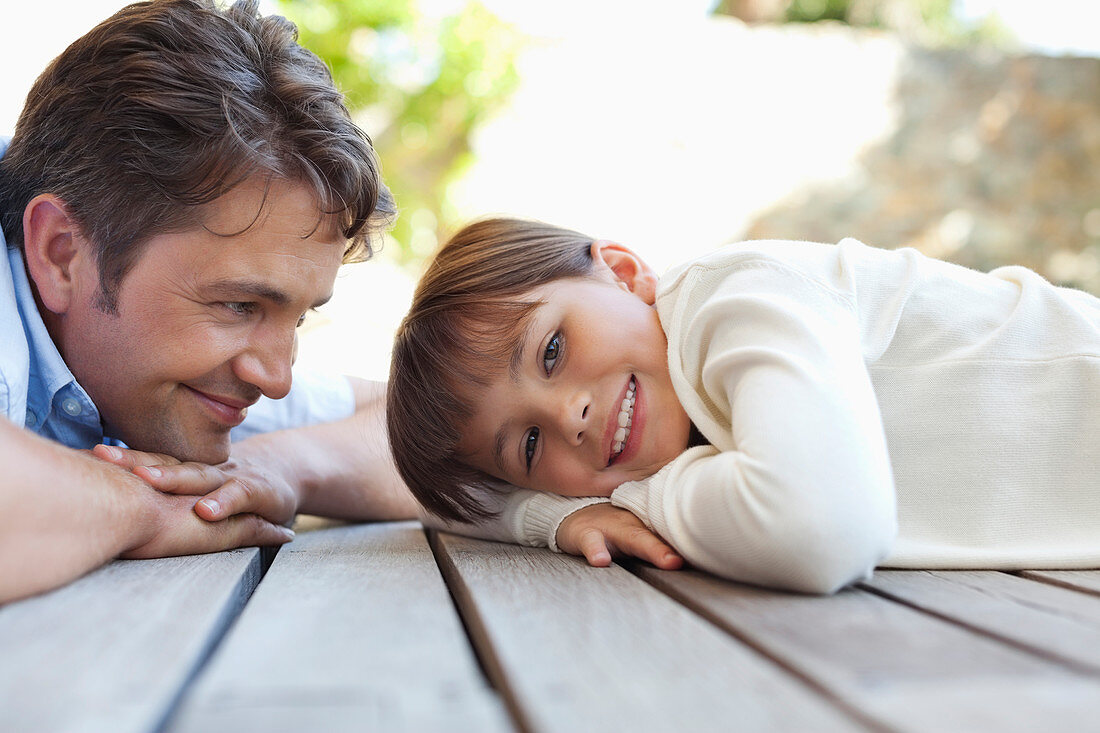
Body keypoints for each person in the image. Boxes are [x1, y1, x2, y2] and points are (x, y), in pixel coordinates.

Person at [0, 0, 679, 604]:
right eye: (239, 305)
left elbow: (418, 432)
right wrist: (141, 504)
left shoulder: (155, 368)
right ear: (63, 251)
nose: (276, 377)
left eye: (296, 317)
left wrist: (274, 469)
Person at [387, 217, 1100, 594]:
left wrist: (635, 498)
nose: (568, 413)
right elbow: (456, 500)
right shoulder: (667, 405)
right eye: (530, 445)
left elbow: (822, 532)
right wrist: (557, 516)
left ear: (627, 272)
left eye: (549, 350)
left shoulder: (737, 293)